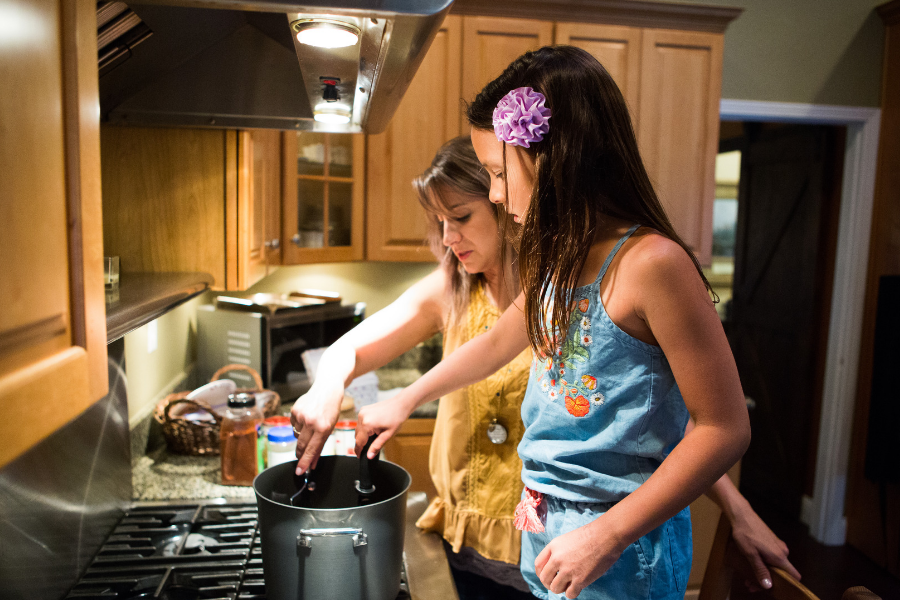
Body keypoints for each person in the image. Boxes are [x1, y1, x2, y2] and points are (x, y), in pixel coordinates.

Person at [292, 136, 800, 599]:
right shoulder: (474, 290)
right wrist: (345, 389)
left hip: (574, 550)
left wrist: (738, 510)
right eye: (439, 222)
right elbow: (359, 350)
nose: (448, 236)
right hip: (488, 543)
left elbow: (654, 422)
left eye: (463, 215)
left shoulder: (594, 281)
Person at [352, 45, 756, 600]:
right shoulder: (556, 260)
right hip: (547, 535)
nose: (494, 193)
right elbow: (495, 343)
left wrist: (608, 535)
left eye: (498, 172)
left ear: (555, 156)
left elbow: (724, 428)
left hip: (618, 547)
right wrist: (405, 399)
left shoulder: (653, 265)